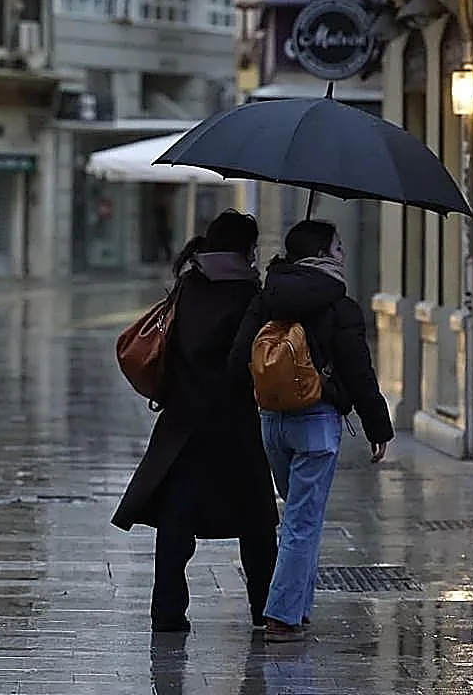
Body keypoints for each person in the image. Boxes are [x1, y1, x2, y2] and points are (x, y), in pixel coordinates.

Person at [112, 210, 278, 633]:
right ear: (247, 249)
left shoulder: (188, 286)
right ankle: (265, 608)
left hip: (183, 422)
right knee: (256, 523)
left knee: (176, 523)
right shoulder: (249, 295)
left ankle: (167, 613)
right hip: (234, 425)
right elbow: (247, 360)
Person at [228, 219, 394, 642]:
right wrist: (377, 425)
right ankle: (282, 616)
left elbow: (237, 361)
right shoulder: (340, 306)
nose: (343, 253)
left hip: (272, 424)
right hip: (317, 424)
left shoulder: (267, 298)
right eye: (338, 247)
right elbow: (359, 372)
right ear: (322, 254)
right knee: (303, 520)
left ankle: (297, 608)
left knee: (302, 516)